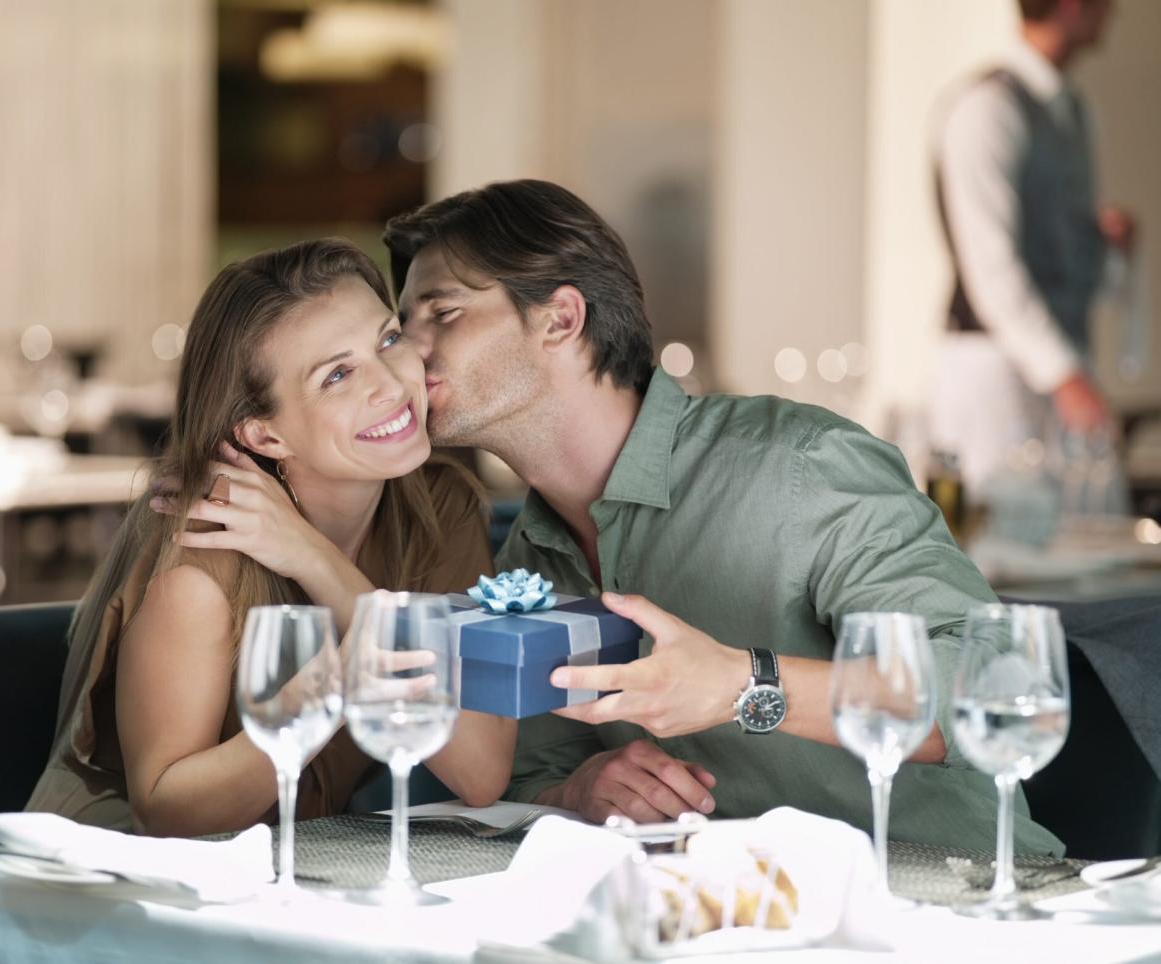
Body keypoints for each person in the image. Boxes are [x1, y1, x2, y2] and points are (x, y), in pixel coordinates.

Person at [383, 179, 1063, 854]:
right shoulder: (528, 558)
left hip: (953, 906)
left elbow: (993, 683)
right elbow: (528, 767)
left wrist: (746, 685)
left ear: (560, 318)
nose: (405, 354)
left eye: (442, 315)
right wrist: (578, 791)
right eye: (401, 326)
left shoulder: (801, 466)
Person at [27, 238, 516, 835]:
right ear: (263, 437)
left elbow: (481, 770)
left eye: (389, 339)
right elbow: (164, 810)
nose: (391, 383)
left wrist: (317, 562)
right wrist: (333, 684)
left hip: (298, 871)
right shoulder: (207, 548)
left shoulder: (440, 509)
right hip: (118, 887)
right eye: (337, 375)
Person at [931, 0, 1136, 496]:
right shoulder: (988, 108)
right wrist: (1065, 376)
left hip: (1055, 371)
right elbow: (991, 264)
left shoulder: (1074, 113)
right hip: (994, 378)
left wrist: (1105, 247)